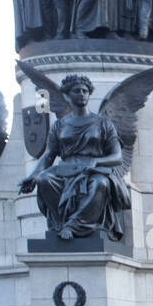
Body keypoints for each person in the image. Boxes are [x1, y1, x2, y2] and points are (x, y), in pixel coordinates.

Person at [19, 74, 128, 240]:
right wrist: (33, 176)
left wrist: (96, 161)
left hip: (94, 171)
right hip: (66, 170)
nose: (82, 94)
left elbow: (117, 156)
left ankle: (73, 225)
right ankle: (61, 224)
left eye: (85, 91)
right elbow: (49, 156)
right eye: (77, 91)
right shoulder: (60, 125)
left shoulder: (103, 123)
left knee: (100, 184)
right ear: (68, 95)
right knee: (44, 180)